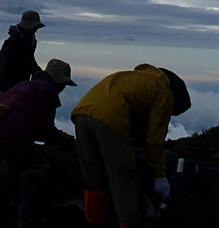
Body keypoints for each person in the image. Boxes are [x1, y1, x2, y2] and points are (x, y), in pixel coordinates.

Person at [70, 64, 191, 228]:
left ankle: (95, 223)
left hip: (81, 115)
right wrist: (160, 176)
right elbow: (154, 139)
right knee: (124, 184)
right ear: (175, 95)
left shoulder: (137, 79)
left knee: (95, 182)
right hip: (109, 119)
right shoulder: (163, 91)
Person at [0, 58, 76, 227]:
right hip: (11, 131)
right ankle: (27, 219)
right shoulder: (47, 90)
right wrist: (61, 139)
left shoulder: (29, 85)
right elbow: (44, 127)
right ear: (59, 83)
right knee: (33, 167)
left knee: (10, 165)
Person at [0, 10, 45, 97]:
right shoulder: (14, 42)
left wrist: (38, 73)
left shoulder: (29, 39)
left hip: (20, 86)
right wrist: (2, 89)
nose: (35, 30)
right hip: (9, 88)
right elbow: (2, 66)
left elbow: (29, 60)